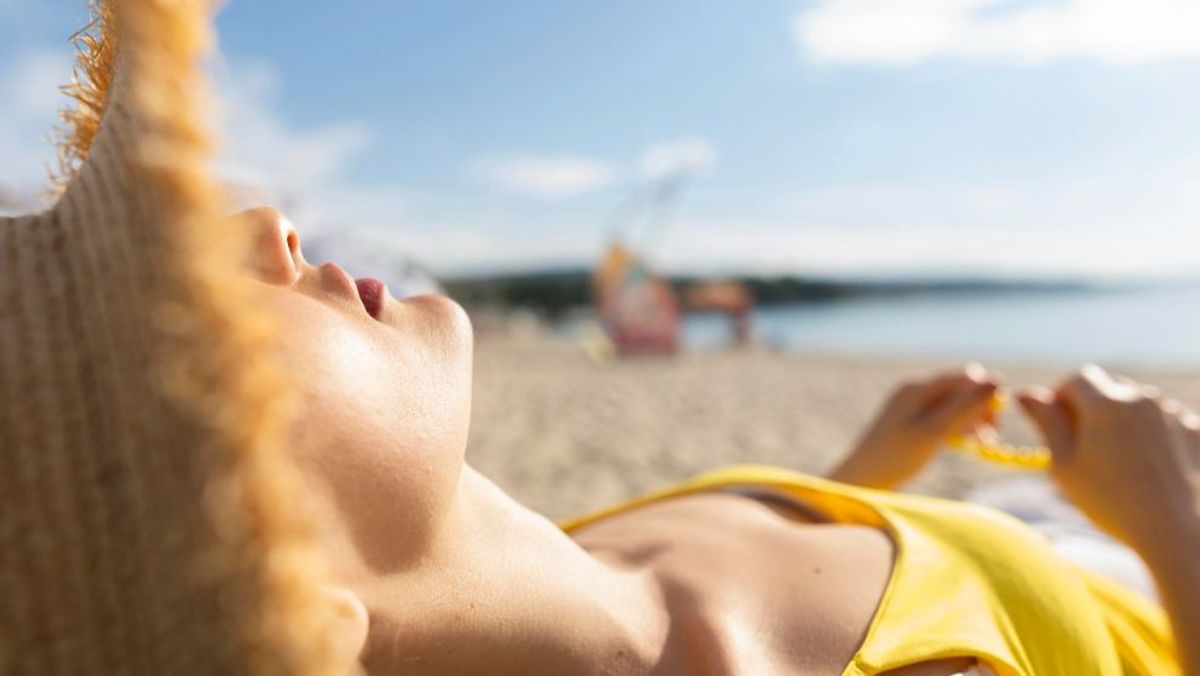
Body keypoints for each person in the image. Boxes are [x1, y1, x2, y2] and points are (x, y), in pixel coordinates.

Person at [0, 2, 1193, 674]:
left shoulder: (574, 563)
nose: (258, 221)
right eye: (188, 307)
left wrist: (852, 483)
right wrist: (1165, 513)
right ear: (298, 606)